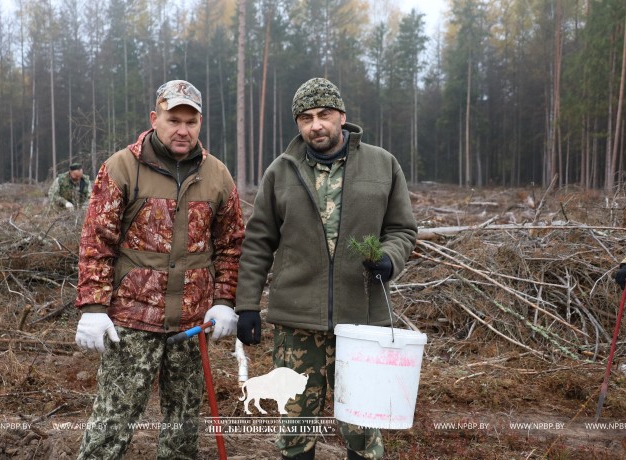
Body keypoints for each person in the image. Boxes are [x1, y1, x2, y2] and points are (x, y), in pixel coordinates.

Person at [235, 78, 418, 460]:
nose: (315, 125)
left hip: (362, 323)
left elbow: (401, 229)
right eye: (305, 118)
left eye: (324, 115)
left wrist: (389, 258)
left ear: (342, 117)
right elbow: (257, 243)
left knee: (363, 427)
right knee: (296, 428)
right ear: (298, 124)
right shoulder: (280, 172)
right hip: (297, 322)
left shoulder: (383, 165)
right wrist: (247, 305)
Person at [74, 79, 245, 460]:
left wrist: (224, 300)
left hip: (192, 325)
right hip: (130, 324)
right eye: (173, 119)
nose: (182, 129)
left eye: (191, 121)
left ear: (201, 123)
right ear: (155, 118)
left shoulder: (217, 176)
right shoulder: (121, 168)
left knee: (182, 431)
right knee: (110, 426)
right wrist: (93, 307)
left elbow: (232, 246)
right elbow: (96, 242)